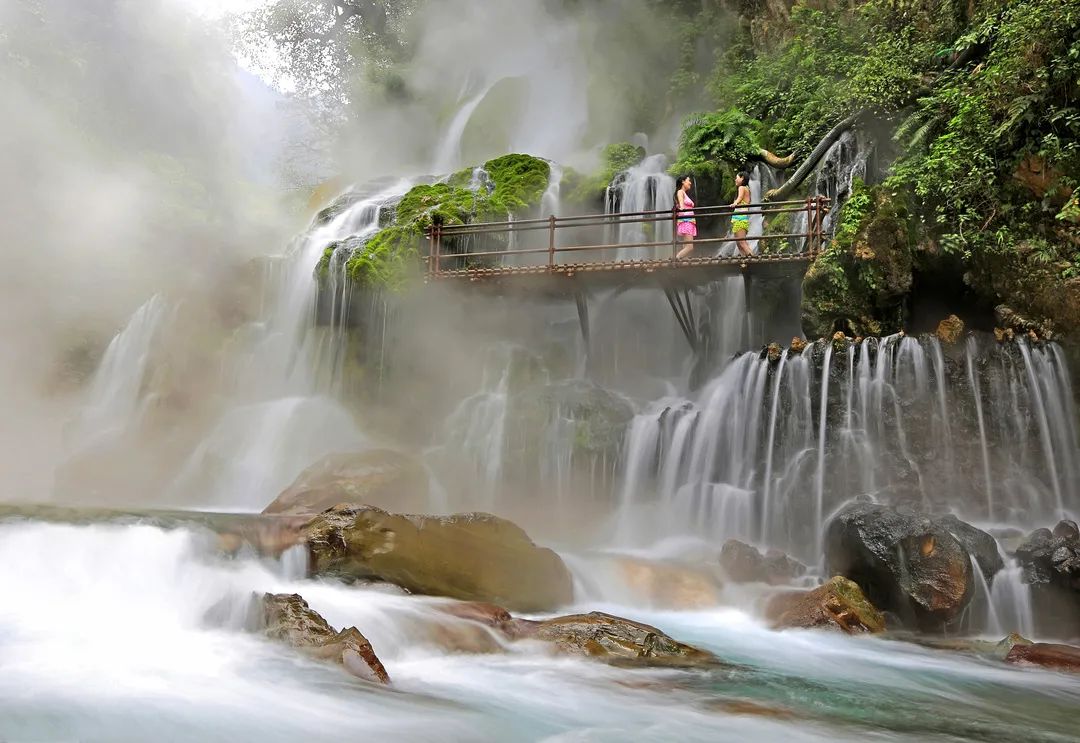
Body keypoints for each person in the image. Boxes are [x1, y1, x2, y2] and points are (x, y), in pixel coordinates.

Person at [731, 171, 753, 257]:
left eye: (737, 178)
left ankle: (753, 260)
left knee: (742, 243)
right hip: (742, 218)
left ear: (742, 178)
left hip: (740, 218)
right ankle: (745, 262)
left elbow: (740, 197)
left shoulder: (741, 187)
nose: (735, 180)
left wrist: (735, 203)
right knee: (740, 244)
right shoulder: (747, 188)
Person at [674, 175, 696, 259]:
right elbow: (681, 202)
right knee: (690, 247)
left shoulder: (684, 193)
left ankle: (682, 261)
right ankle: (675, 259)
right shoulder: (680, 192)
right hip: (686, 220)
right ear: (683, 182)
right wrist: (681, 207)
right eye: (688, 180)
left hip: (689, 220)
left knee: (686, 245)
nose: (690, 183)